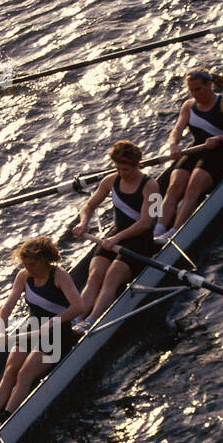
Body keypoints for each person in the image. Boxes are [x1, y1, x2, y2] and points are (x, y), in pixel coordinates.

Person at [0, 237, 83, 434]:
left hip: (58, 333)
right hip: (31, 328)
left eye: (32, 264)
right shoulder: (23, 276)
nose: (28, 268)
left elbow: (79, 306)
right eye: (25, 264)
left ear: (45, 260)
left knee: (25, 373)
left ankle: (5, 417)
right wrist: (1, 330)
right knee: (9, 371)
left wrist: (53, 322)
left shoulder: (60, 276)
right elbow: (7, 307)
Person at [71, 140, 162, 332]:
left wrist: (116, 238)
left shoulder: (151, 186)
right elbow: (88, 206)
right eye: (117, 168)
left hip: (141, 239)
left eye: (125, 169)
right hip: (117, 233)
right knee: (95, 275)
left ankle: (92, 320)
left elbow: (146, 223)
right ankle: (77, 317)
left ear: (138, 165)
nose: (121, 173)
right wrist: (83, 222)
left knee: (112, 276)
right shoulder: (110, 180)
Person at [153, 71, 223, 245]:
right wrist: (173, 144)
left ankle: (174, 232)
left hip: (220, 152)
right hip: (196, 150)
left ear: (209, 85)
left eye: (198, 89)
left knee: (193, 186)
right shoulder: (189, 106)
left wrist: (219, 138)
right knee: (174, 185)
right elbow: (177, 130)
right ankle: (158, 230)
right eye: (192, 90)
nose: (195, 94)